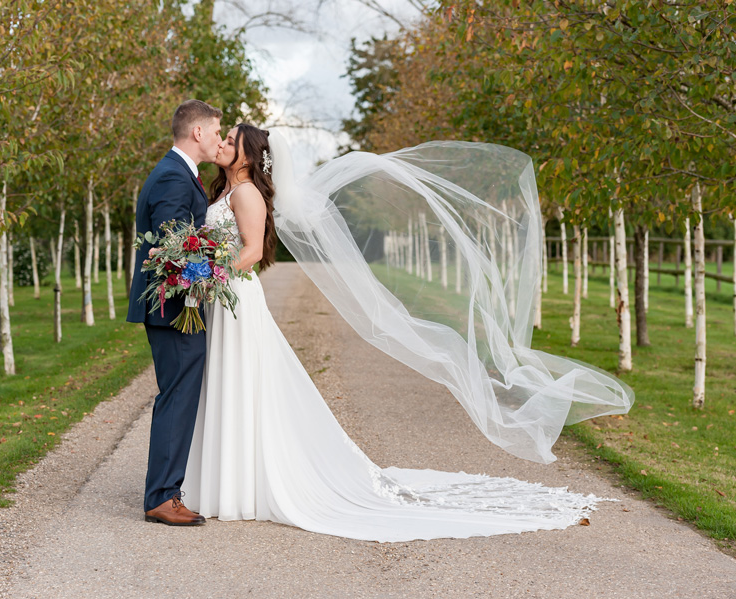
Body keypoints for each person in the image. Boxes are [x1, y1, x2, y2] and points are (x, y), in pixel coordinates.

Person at [180, 125, 634, 542]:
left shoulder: (249, 196)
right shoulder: (229, 189)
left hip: (233, 295)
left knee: (241, 384)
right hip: (224, 297)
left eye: (230, 138)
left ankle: (241, 483)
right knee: (227, 385)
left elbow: (253, 250)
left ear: (248, 154)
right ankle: (225, 480)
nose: (221, 142)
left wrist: (205, 274)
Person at [126, 99, 222, 527]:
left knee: (178, 395)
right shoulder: (172, 176)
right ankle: (163, 497)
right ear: (197, 132)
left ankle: (165, 491)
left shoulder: (178, 173)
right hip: (173, 307)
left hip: (175, 305)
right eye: (216, 131)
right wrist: (210, 267)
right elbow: (174, 248)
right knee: (178, 396)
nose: (219, 139)